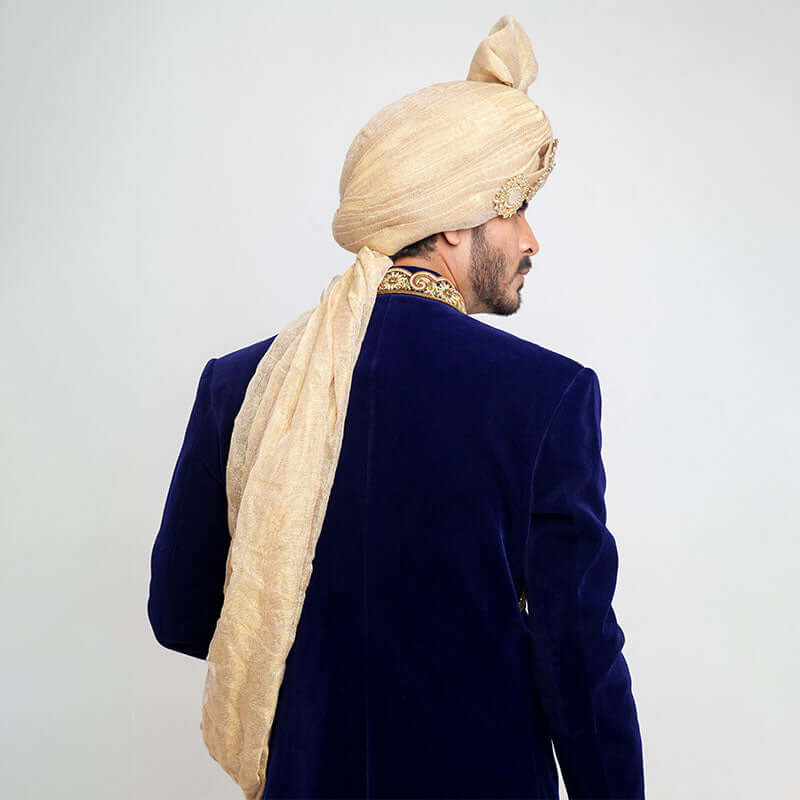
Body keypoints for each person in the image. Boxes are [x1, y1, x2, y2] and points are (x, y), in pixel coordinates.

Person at [147, 14, 645, 800]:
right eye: (514, 208)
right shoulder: (546, 395)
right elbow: (578, 656)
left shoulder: (242, 383)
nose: (531, 240)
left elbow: (181, 615)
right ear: (449, 223)